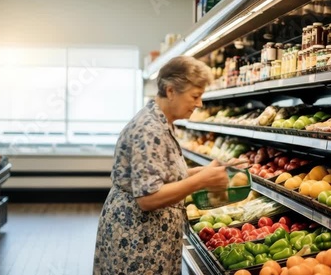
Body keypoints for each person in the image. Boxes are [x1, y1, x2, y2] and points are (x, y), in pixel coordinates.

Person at [93, 55, 229, 275]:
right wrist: (201, 180)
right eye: (195, 96)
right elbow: (148, 198)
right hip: (138, 239)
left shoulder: (163, 122)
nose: (199, 103)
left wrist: (205, 171)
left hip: (152, 237)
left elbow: (163, 174)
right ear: (170, 91)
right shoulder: (150, 129)